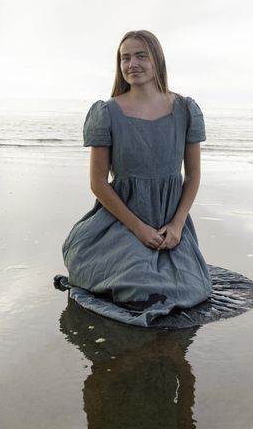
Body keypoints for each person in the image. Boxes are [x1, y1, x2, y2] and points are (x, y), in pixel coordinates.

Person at [62, 30, 212, 327]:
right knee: (137, 286)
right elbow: (98, 183)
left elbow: (193, 175)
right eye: (125, 57)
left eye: (141, 55)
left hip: (170, 219)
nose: (132, 64)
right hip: (121, 221)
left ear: (157, 60)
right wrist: (140, 229)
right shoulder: (106, 113)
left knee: (190, 287)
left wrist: (178, 224)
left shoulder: (186, 110)